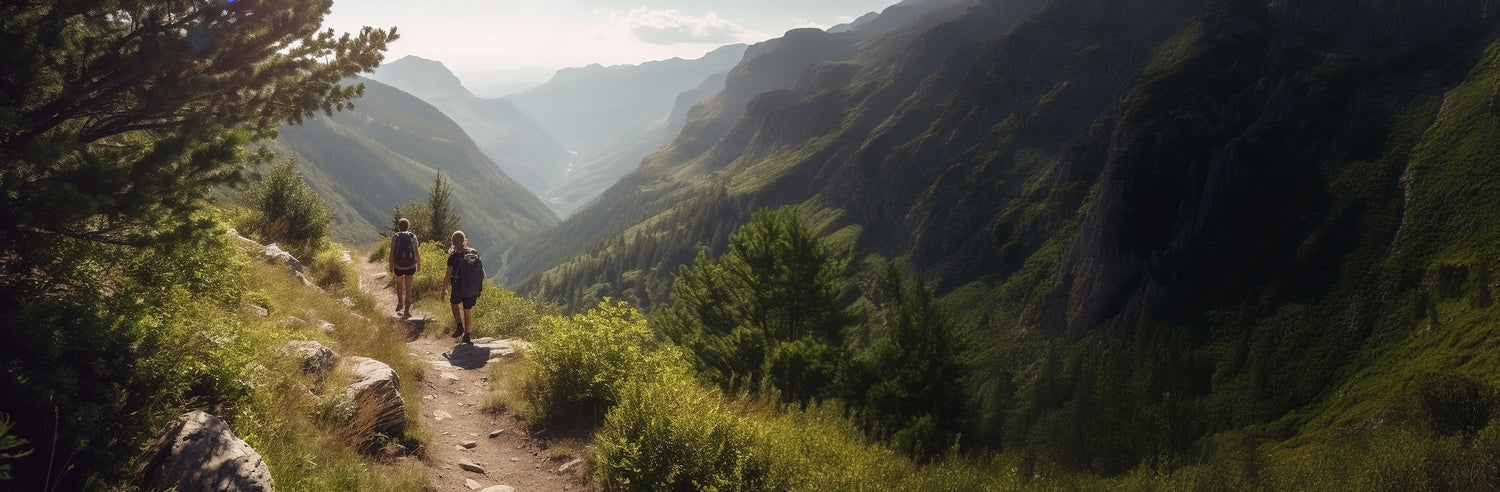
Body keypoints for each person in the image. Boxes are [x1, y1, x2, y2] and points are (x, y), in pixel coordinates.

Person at [440, 230, 480, 344]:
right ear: (464, 240)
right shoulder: (473, 253)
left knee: (454, 303)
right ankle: (467, 335)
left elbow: (447, 276)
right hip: (471, 287)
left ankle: (459, 326)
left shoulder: (453, 257)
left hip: (458, 288)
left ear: (452, 242)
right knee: (468, 310)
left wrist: (443, 292)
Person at [388, 218, 420, 317]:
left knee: (399, 283)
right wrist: (419, 264)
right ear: (408, 226)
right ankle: (407, 310)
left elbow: (392, 253)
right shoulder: (412, 236)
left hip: (398, 266)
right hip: (411, 266)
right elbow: (417, 252)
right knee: (408, 287)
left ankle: (400, 303)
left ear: (399, 227)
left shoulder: (396, 237)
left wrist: (391, 265)